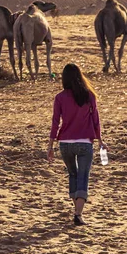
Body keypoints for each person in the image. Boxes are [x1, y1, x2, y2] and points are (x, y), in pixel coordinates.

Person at [47, 63, 107, 226]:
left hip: (65, 143)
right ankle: (78, 214)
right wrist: (100, 140)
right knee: (83, 176)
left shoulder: (60, 97)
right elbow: (96, 120)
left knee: (73, 174)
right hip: (84, 142)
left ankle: (76, 211)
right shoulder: (89, 96)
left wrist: (51, 145)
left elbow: (55, 122)